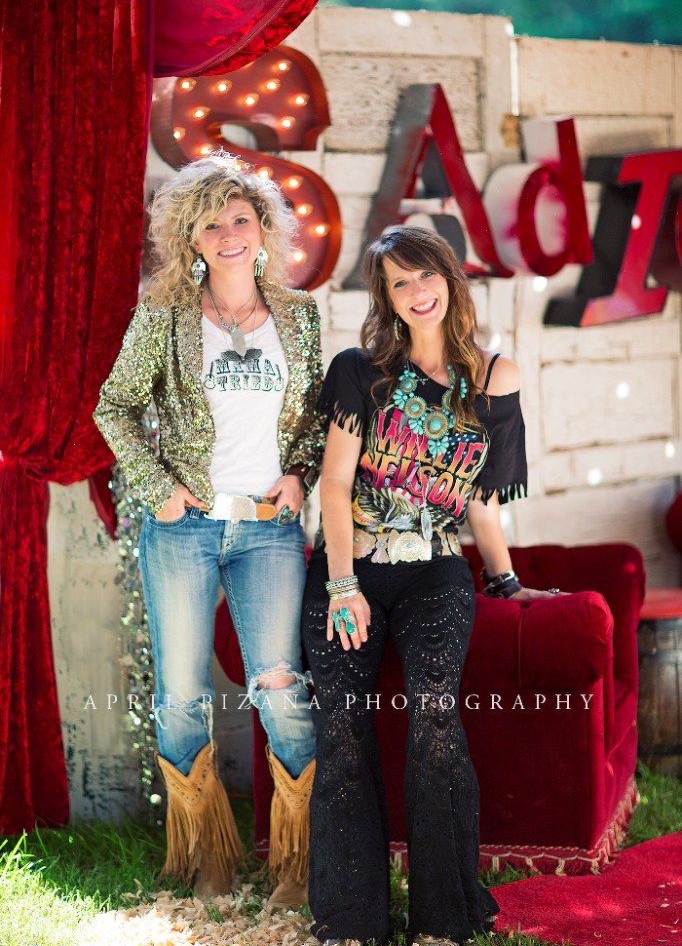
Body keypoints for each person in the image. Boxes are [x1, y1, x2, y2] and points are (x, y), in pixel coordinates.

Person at [302, 225, 555, 946]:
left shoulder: (495, 377)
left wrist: (505, 581)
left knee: (436, 717)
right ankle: (352, 920)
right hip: (348, 570)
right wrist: (343, 585)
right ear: (386, 297)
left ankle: (444, 917)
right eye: (400, 283)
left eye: (427, 275)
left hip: (435, 573)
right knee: (341, 728)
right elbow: (335, 482)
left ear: (450, 277)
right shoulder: (360, 371)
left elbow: (481, 502)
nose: (417, 292)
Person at [95, 152, 324, 906]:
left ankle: (298, 862)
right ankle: (208, 859)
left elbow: (314, 421)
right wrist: (158, 489)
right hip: (183, 530)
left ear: (264, 229)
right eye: (211, 224)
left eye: (241, 219)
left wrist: (302, 473)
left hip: (268, 531)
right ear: (190, 238)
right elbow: (113, 407)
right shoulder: (163, 316)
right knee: (181, 696)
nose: (229, 235)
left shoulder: (299, 316)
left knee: (281, 688)